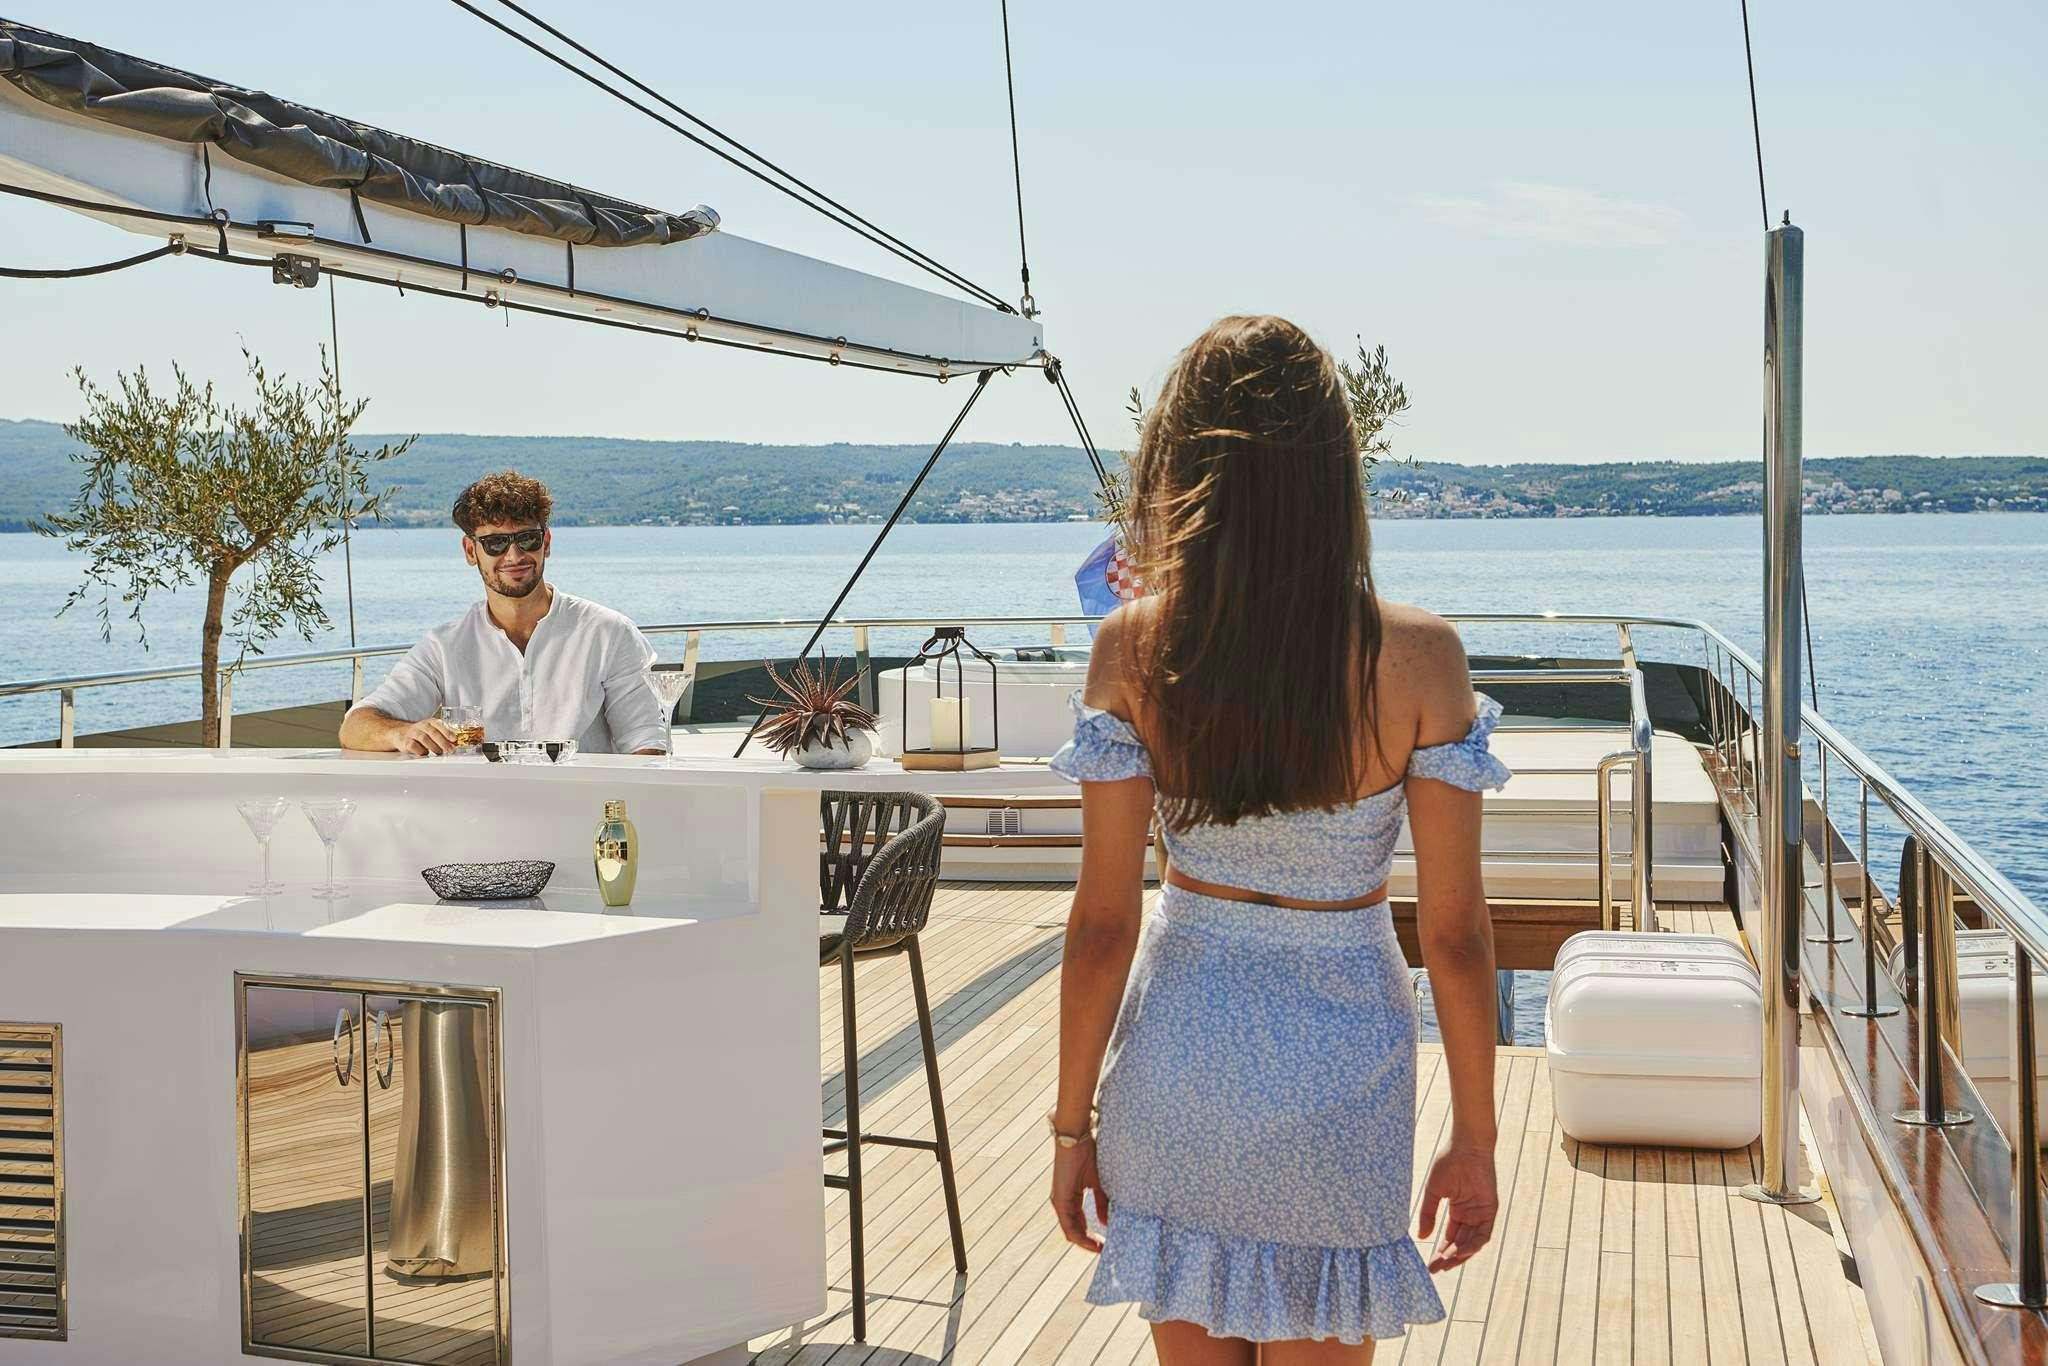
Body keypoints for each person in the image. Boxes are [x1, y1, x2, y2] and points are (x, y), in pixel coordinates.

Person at [1046, 316, 1508, 1364]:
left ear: (1181, 464)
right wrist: (1472, 1139)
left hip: (1178, 1060)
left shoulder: (1132, 645)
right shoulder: (1421, 659)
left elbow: (1103, 924)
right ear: (1331, 474)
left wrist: (1071, 1129)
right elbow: (1456, 937)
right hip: (1337, 1074)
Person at [339, 471, 670, 756]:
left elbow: (645, 744)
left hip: (586, 815)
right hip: (481, 816)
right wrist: (401, 733)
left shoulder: (608, 633)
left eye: (527, 539)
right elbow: (355, 725)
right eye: (495, 543)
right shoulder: (446, 646)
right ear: (471, 551)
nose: (515, 555)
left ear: (547, 543)